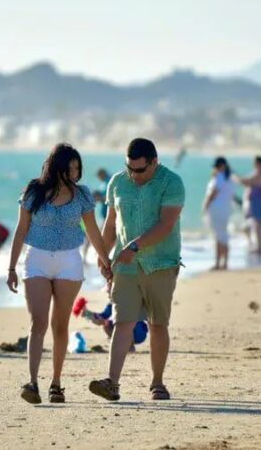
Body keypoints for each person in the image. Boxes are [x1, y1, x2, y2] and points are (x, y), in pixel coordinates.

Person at [5, 144, 112, 405]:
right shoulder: (33, 192)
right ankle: (32, 382)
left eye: (78, 168)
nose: (75, 173)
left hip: (68, 262)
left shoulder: (82, 195)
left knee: (60, 325)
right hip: (36, 260)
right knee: (38, 322)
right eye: (70, 167)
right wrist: (11, 268)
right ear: (57, 167)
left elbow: (92, 231)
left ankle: (56, 384)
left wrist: (105, 260)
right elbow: (21, 230)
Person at [89, 138, 185, 402]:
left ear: (154, 162)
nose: (134, 175)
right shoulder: (118, 183)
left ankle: (157, 383)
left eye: (140, 170)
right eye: (130, 168)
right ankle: (112, 383)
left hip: (161, 264)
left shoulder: (172, 182)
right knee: (123, 323)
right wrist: (103, 255)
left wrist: (134, 247)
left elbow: (166, 225)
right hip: (126, 266)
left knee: (158, 324)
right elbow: (110, 225)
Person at [235, 156, 261, 256]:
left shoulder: (260, 174)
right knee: (259, 225)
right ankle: (259, 245)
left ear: (258, 163)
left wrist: (235, 178)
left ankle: (259, 247)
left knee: (258, 225)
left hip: (258, 202)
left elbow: (246, 182)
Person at [203, 156, 235, 270]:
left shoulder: (219, 178)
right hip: (226, 209)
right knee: (223, 236)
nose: (215, 169)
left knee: (219, 236)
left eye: (217, 166)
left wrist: (205, 206)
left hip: (217, 209)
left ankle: (219, 263)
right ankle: (224, 262)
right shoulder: (229, 179)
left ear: (222, 166)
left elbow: (213, 193)